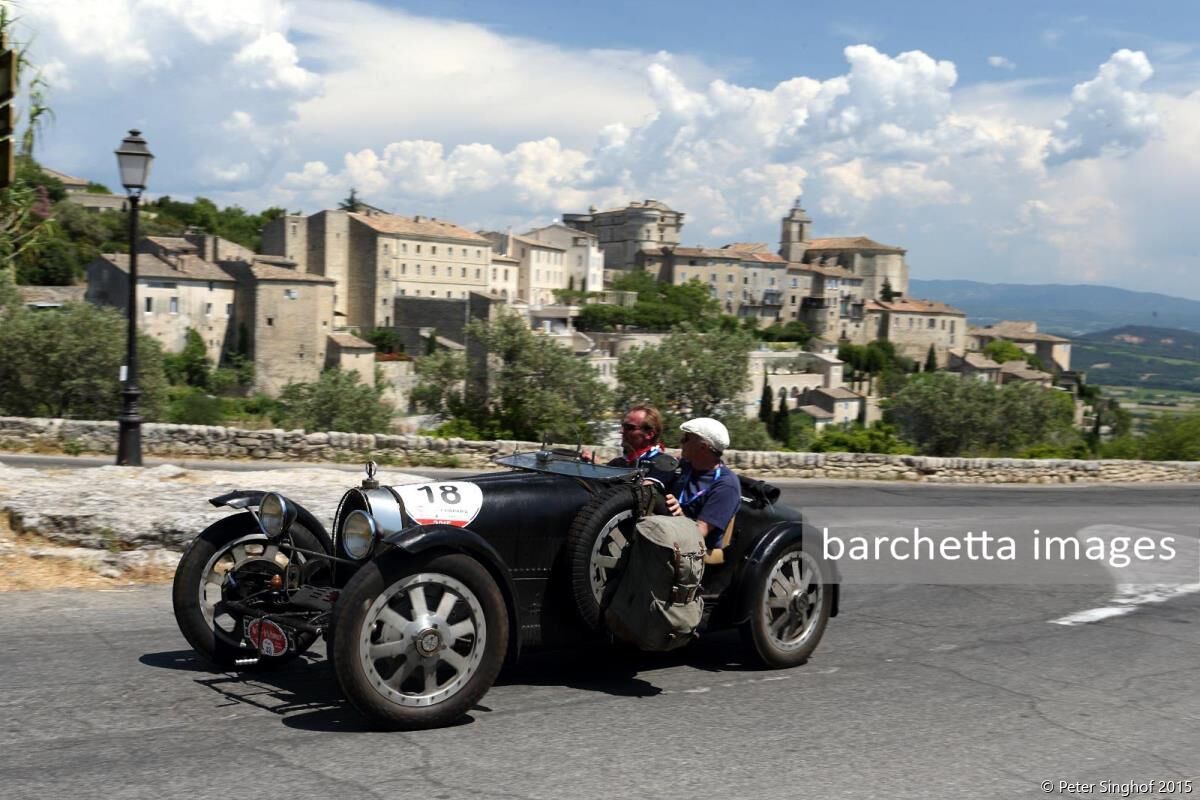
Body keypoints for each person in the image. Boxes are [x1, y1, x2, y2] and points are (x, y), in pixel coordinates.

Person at [664, 417, 741, 551]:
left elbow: (699, 533)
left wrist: (679, 515)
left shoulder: (726, 485)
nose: (681, 441)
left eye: (686, 438)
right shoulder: (687, 466)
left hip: (695, 551)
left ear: (703, 447)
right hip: (669, 531)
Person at [586, 404, 678, 484]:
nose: (621, 431)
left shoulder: (662, 463)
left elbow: (644, 494)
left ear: (649, 434)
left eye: (629, 427)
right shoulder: (619, 462)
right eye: (623, 426)